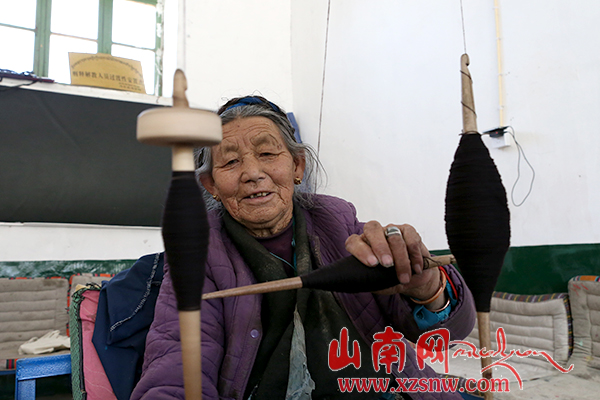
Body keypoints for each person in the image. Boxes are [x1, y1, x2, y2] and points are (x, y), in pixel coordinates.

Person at [131, 96, 476, 400]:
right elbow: (177, 365)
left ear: (297, 166)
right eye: (231, 161)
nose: (252, 173)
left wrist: (428, 291)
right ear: (211, 185)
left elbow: (446, 337)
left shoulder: (341, 226)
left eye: (267, 153)